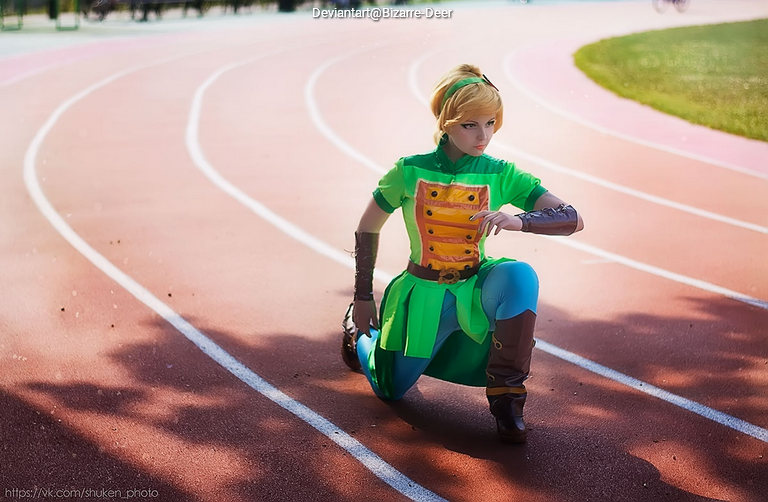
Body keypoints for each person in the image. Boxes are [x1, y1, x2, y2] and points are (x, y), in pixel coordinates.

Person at [342, 63, 584, 443]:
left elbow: (571, 218)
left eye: (490, 122)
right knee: (391, 390)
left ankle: (507, 398)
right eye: (471, 124)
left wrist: (519, 220)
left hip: (474, 290)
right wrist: (361, 297)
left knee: (520, 277)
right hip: (422, 296)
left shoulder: (501, 173)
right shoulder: (408, 171)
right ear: (447, 121)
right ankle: (360, 338)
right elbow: (367, 227)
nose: (483, 134)